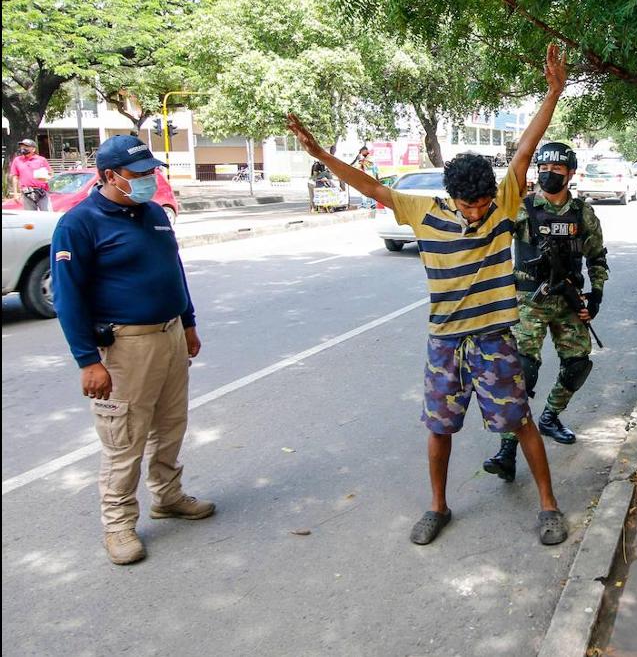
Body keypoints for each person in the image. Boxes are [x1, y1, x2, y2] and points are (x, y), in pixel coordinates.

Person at [284, 44, 570, 546]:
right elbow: (371, 188)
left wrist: (553, 92)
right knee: (439, 429)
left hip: (494, 339)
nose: (479, 211)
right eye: (470, 203)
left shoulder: (503, 203)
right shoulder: (422, 212)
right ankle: (438, 507)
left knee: (520, 420)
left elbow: (524, 150)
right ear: (450, 195)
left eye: (485, 202)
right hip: (445, 345)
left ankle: (548, 505)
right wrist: (322, 156)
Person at [50, 134, 213, 566]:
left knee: (170, 424)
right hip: (126, 347)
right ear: (109, 176)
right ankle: (119, 524)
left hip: (171, 335)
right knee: (125, 440)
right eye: (138, 175)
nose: (148, 181)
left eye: (151, 172)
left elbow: (174, 271)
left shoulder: (154, 213)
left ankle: (169, 495)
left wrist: (189, 322)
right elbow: (68, 298)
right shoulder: (79, 223)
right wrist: (88, 361)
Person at [483, 142, 608, 481]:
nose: (548, 174)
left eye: (556, 170)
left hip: (568, 301)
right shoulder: (522, 209)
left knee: (578, 364)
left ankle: (551, 416)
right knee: (522, 371)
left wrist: (595, 297)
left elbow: (597, 256)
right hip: (529, 301)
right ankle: (508, 447)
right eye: (544, 168)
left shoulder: (582, 213)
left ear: (570, 174)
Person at [10, 138, 53, 210]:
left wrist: (46, 177)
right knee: (30, 217)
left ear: (33, 149)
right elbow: (15, 177)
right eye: (22, 146)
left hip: (42, 192)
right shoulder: (17, 160)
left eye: (26, 146)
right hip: (26, 193)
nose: (23, 148)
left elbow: (50, 173)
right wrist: (15, 193)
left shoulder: (41, 160)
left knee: (47, 214)